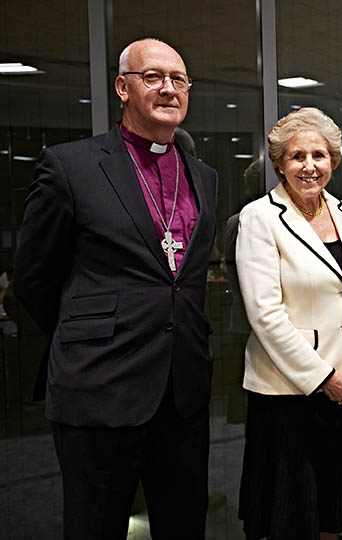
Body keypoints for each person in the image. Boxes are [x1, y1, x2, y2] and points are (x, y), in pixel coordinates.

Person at [14, 38, 218, 540]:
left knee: (184, 527)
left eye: (179, 79)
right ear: (122, 88)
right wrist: (87, 334)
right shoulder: (71, 166)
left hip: (182, 391)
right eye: (153, 77)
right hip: (100, 387)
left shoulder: (205, 177)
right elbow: (33, 278)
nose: (169, 88)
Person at [235, 107, 342, 540]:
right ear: (279, 163)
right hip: (288, 396)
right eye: (297, 156)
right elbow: (265, 315)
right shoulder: (259, 218)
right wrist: (323, 379)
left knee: (331, 518)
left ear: (333, 161)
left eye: (319, 155)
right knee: (291, 521)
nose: (309, 166)